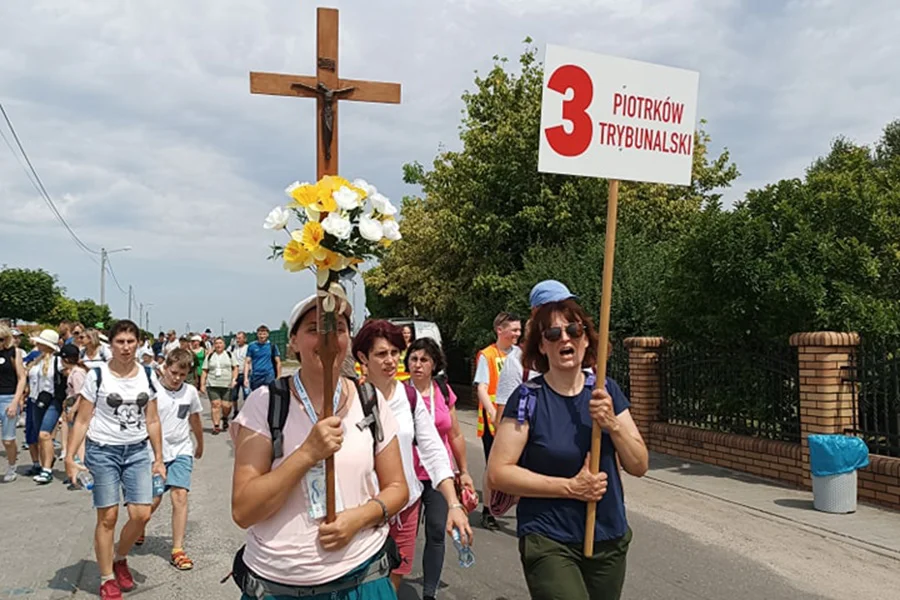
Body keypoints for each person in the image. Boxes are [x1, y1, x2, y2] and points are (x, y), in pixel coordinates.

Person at [230, 295, 408, 599]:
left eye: (338, 328)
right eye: (314, 329)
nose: (327, 340)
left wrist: (359, 518)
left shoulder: (370, 400)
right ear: (294, 342)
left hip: (363, 576)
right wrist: (307, 454)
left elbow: (397, 488)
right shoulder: (266, 403)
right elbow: (244, 510)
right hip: (278, 585)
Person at [486, 285, 648, 600]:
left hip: (608, 536)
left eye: (574, 329)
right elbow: (499, 472)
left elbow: (639, 465)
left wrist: (612, 423)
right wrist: (571, 488)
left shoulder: (606, 392)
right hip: (549, 538)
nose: (565, 338)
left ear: (586, 339)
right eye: (553, 334)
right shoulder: (528, 398)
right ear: (542, 347)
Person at [352, 320, 472, 592]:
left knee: (393, 579)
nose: (390, 361)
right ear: (363, 357)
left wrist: (453, 503)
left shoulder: (409, 398)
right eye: (381, 354)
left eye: (395, 353)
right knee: (363, 582)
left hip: (405, 507)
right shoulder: (351, 400)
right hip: (363, 510)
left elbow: (433, 450)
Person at [65, 319, 167, 600]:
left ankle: (120, 557)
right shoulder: (97, 376)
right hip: (103, 451)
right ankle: (107, 576)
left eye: (130, 342)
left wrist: (159, 458)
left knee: (141, 514)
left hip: (136, 451)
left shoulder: (148, 375)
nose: (125, 347)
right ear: (111, 344)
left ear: (138, 344)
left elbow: (154, 419)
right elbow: (83, 420)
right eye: (120, 342)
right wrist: (71, 458)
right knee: (108, 516)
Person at [406, 337, 475, 600]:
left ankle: (429, 593)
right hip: (408, 473)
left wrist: (464, 470)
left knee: (436, 531)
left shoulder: (444, 393)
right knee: (405, 534)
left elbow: (455, 434)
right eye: (413, 359)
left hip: (438, 476)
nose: (418, 364)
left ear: (434, 364)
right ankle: (394, 582)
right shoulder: (401, 392)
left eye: (424, 359)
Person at [139, 348, 204, 569]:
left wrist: (200, 443)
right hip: (154, 453)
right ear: (165, 368)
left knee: (180, 495)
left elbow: (195, 419)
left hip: (181, 450)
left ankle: (177, 549)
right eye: (173, 372)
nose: (177, 378)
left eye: (182, 375)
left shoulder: (190, 392)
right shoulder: (152, 390)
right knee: (153, 500)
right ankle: (139, 526)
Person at [473, 311, 521, 530]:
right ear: (499, 330)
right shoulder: (487, 355)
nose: (517, 334)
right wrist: (493, 413)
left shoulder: (520, 354)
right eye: (514, 329)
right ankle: (488, 511)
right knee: (493, 465)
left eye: (519, 330)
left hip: (517, 417)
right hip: (495, 418)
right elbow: (482, 387)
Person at [28, 329, 65, 485]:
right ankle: (46, 462)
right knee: (40, 436)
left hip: (52, 401)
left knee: (44, 434)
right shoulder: (37, 360)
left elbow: (68, 376)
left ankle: (47, 470)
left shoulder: (58, 362)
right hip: (35, 400)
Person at [0, 325, 27, 482]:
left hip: (8, 397)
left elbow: (21, 378)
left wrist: (15, 401)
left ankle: (11, 466)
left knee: (8, 439)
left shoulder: (14, 353)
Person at [60, 343, 88, 473]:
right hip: (72, 406)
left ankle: (80, 470)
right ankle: (75, 471)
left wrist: (73, 409)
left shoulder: (77, 373)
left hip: (77, 408)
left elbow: (81, 394)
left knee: (79, 441)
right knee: (74, 439)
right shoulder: (74, 372)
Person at [201, 337, 238, 434]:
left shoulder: (229, 355)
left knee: (226, 406)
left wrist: (234, 379)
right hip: (212, 384)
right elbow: (204, 370)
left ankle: (225, 417)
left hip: (227, 384)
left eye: (220, 343)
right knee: (215, 405)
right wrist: (202, 384)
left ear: (224, 345)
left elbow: (235, 368)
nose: (218, 345)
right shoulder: (210, 356)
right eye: (216, 343)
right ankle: (216, 426)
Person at [243, 324, 281, 392]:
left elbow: (278, 362)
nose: (262, 336)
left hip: (268, 375)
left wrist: (278, 377)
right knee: (256, 396)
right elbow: (247, 362)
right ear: (257, 334)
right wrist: (246, 378)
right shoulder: (252, 346)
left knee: (268, 395)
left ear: (267, 334)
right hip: (256, 375)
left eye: (264, 334)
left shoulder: (272, 346)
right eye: (260, 334)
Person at [229, 331, 250, 417]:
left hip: (246, 374)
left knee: (247, 394)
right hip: (235, 374)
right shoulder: (232, 348)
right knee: (234, 395)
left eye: (240, 338)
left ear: (244, 339)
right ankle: (235, 411)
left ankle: (246, 412)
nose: (238, 340)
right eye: (237, 338)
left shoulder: (248, 348)